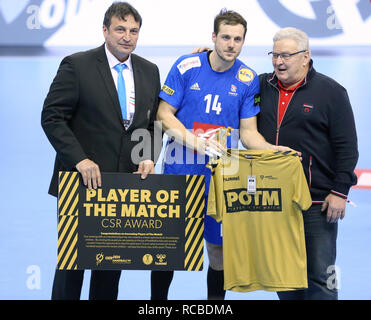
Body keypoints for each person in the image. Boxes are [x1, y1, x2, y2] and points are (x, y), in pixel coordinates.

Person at [151, 9, 290, 300]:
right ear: (213, 37)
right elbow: (164, 115)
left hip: (220, 181)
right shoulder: (187, 65)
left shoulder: (248, 78)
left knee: (218, 251)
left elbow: (249, 133)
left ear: (243, 42)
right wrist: (196, 142)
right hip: (180, 175)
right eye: (225, 37)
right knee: (169, 249)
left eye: (237, 39)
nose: (231, 44)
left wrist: (274, 151)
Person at [41, 2, 161, 300]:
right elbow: (52, 117)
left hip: (123, 186)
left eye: (134, 31)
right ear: (105, 30)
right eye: (120, 29)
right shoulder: (77, 65)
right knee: (72, 266)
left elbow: (154, 123)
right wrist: (79, 159)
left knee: (110, 269)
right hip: (79, 183)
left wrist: (147, 156)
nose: (127, 37)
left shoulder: (149, 70)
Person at [257, 27, 358, 300]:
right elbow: (227, 79)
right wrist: (207, 56)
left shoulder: (332, 92)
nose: (279, 61)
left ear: (306, 57)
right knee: (284, 278)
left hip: (316, 203)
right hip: (274, 202)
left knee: (321, 280)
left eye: (286, 55)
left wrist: (339, 192)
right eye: (275, 54)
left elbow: (347, 147)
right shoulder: (260, 86)